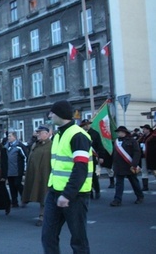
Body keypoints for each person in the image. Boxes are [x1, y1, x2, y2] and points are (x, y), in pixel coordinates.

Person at [42, 100, 93, 254]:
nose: (50, 115)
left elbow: (81, 168)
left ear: (60, 114)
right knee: (48, 236)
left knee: (78, 240)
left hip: (74, 196)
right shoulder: (58, 135)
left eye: (52, 112)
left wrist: (67, 194)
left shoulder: (78, 136)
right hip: (55, 193)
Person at [22, 125, 52, 226]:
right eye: (37, 132)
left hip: (46, 174)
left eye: (40, 132)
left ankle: (42, 216)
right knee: (40, 194)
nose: (38, 134)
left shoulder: (51, 145)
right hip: (36, 174)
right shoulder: (36, 144)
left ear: (47, 134)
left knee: (44, 195)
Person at [110, 126, 144, 207]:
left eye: (121, 132)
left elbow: (137, 153)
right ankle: (117, 200)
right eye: (118, 132)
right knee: (119, 184)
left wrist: (134, 164)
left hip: (129, 165)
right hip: (119, 166)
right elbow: (114, 153)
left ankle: (140, 196)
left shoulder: (132, 141)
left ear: (125, 132)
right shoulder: (116, 141)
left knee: (134, 182)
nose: (119, 133)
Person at [80, 119, 109, 200]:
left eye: (88, 124)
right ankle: (89, 192)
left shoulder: (95, 133)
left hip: (92, 157)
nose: (87, 126)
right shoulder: (80, 134)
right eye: (85, 124)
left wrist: (101, 156)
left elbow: (100, 145)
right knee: (84, 176)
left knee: (93, 176)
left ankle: (97, 190)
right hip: (82, 157)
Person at [5, 131, 28, 207]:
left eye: (10, 136)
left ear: (14, 137)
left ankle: (24, 198)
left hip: (18, 169)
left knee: (17, 184)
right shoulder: (6, 146)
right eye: (8, 136)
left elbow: (25, 157)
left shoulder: (19, 146)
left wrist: (24, 168)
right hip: (9, 169)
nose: (9, 138)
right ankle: (14, 201)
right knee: (11, 186)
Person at [138, 124, 153, 191]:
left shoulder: (153, 137)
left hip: (151, 157)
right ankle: (145, 186)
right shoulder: (142, 137)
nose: (143, 130)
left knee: (154, 171)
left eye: (144, 129)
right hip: (143, 156)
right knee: (144, 171)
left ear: (148, 130)